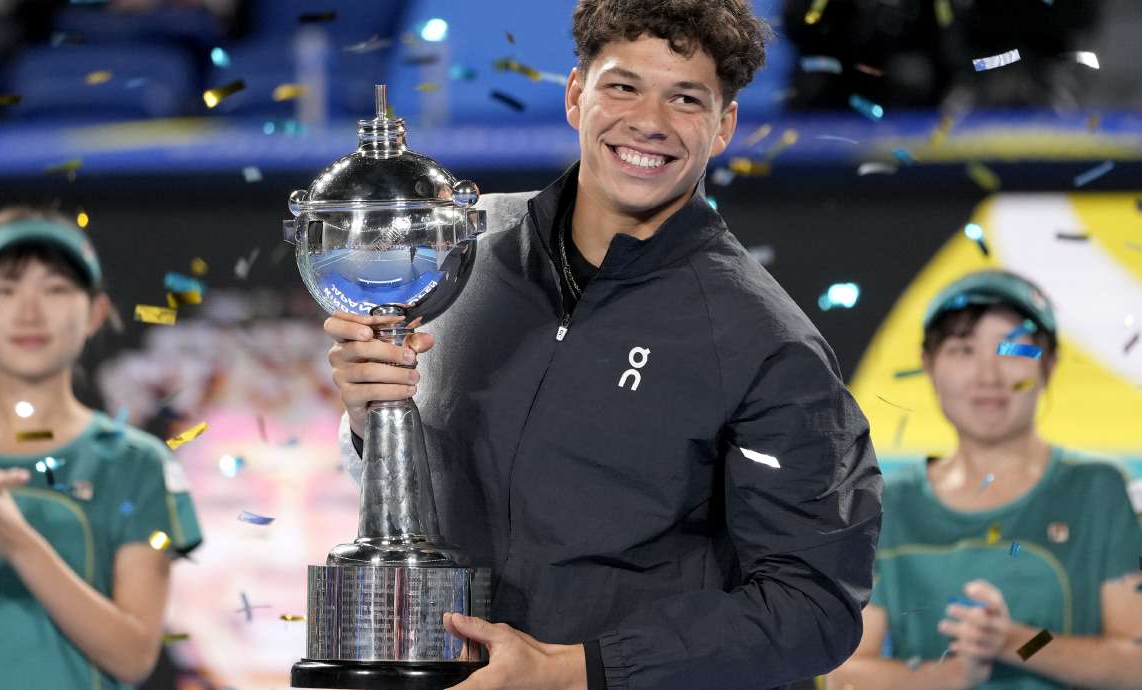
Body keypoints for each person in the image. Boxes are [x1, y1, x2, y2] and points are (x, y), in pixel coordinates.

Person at [322, 1, 884, 688]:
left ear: (724, 126)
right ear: (574, 94)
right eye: (623, 85)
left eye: (685, 98)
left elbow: (812, 607)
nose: (648, 121)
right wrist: (367, 421)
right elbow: (432, 494)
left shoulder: (765, 341)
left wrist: (572, 671)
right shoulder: (457, 255)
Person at [829, 270, 1142, 690]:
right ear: (928, 364)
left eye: (1013, 348)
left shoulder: (1104, 491)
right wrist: (952, 675)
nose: (988, 376)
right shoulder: (888, 505)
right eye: (962, 350)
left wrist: (1017, 642)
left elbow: (1136, 663)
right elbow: (844, 676)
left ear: (1049, 365)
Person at [0, 207, 203, 689]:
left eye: (55, 290)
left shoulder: (136, 462)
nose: (29, 312)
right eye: (4, 291)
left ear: (96, 313)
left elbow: (133, 657)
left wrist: (18, 543)